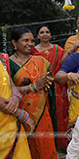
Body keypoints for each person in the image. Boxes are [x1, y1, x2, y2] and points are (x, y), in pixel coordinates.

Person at [9, 27, 57, 159]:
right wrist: (33, 86)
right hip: (19, 113)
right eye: (25, 40)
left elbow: (50, 83)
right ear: (14, 43)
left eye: (31, 40)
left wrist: (48, 81)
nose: (30, 44)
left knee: (45, 147)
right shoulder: (7, 64)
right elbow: (7, 89)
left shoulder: (40, 61)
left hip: (42, 112)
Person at [30, 24, 69, 152]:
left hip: (58, 87)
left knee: (60, 114)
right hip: (41, 87)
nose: (45, 34)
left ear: (50, 35)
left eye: (47, 32)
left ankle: (61, 145)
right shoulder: (32, 52)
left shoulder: (58, 50)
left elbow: (64, 65)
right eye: (42, 32)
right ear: (37, 36)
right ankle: (46, 146)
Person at [0, 53, 34, 159]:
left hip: (11, 124)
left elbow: (9, 83)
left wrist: (16, 97)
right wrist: (22, 114)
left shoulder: (2, 58)